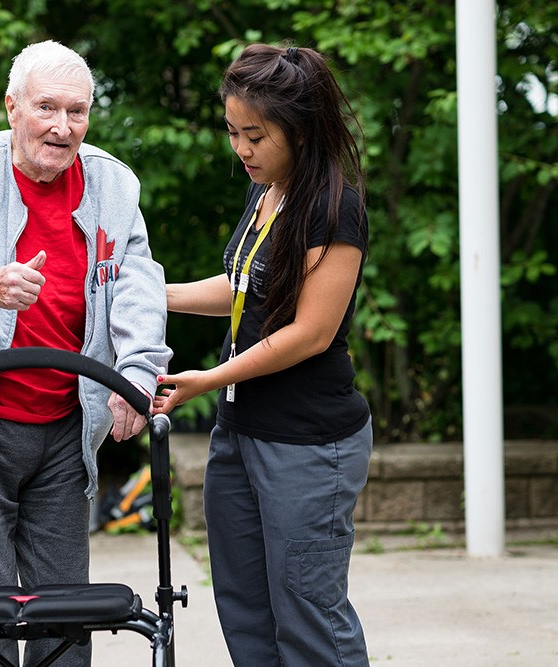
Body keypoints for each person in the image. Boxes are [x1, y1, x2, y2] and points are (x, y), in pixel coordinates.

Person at [0, 40, 172, 666]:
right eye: (47, 108)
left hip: (66, 434)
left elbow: (137, 284)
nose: (62, 126)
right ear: (12, 107)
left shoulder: (114, 184)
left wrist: (138, 372)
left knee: (66, 621)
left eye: (78, 111)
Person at [153, 44, 372, 666]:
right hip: (238, 432)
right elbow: (243, 288)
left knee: (308, 615)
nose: (241, 149)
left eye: (256, 134)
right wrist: (151, 293)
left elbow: (311, 331)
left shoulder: (335, 207)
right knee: (246, 610)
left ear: (300, 132)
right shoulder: (266, 191)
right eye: (233, 132)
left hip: (307, 442)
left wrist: (210, 378)